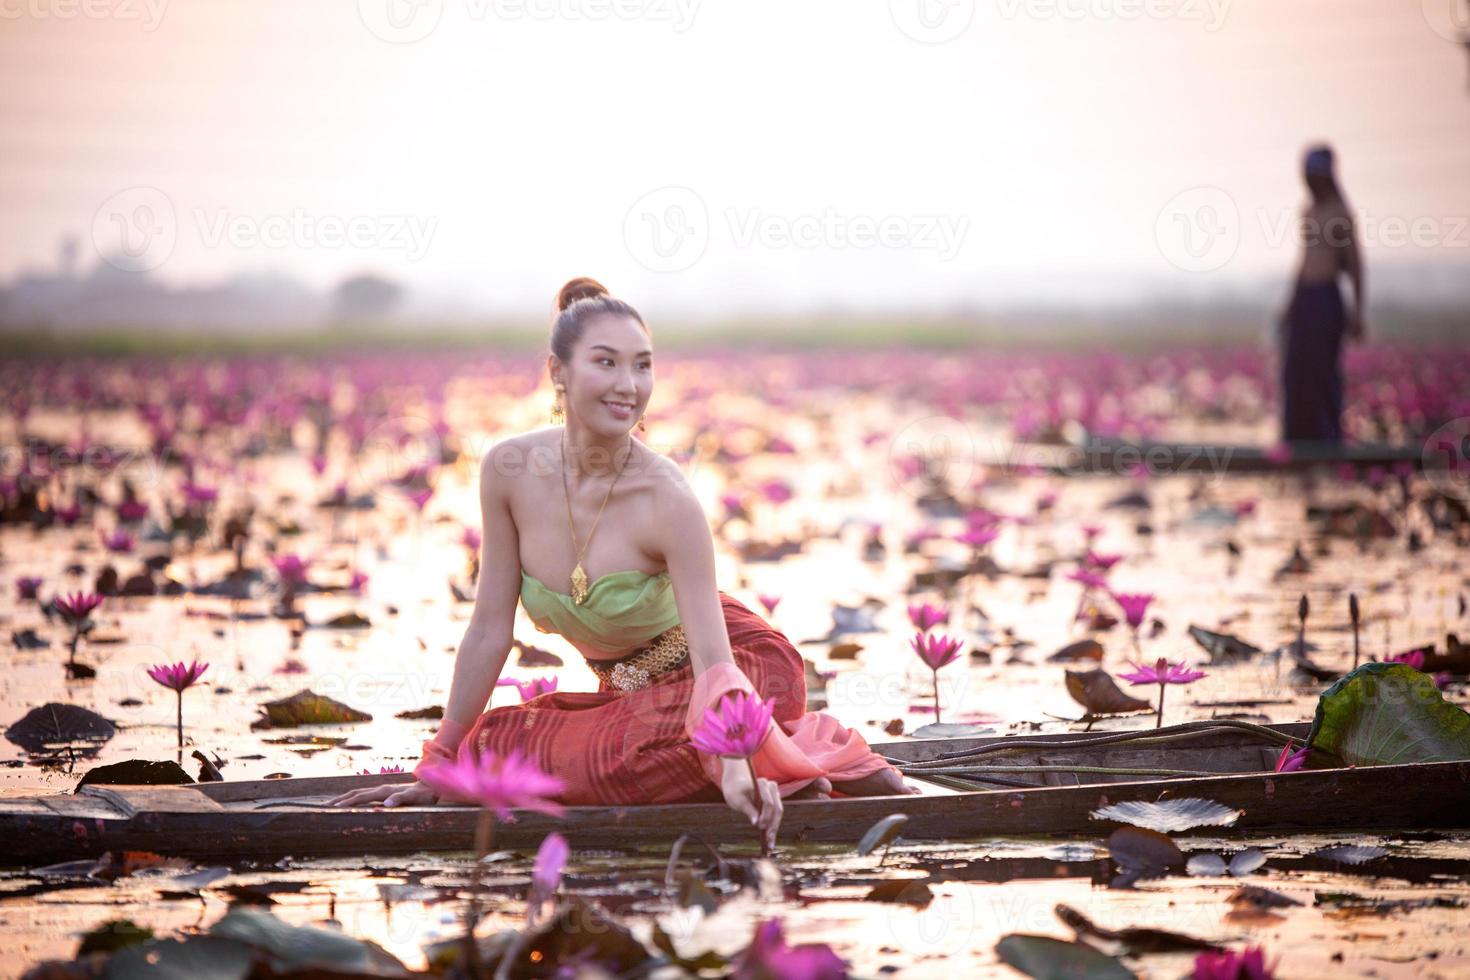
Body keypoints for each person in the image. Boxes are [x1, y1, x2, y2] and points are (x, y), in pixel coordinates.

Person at [329, 277, 915, 848]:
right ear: (558, 372)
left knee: (617, 760)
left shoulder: (668, 496)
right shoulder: (507, 470)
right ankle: (795, 749)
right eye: (606, 362)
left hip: (738, 667)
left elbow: (716, 664)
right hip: (634, 700)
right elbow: (487, 631)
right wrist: (441, 763)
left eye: (643, 364)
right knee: (491, 748)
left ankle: (770, 745)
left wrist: (733, 757)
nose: (629, 384)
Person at [1279, 142, 1365, 443]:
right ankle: (1296, 437)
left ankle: (1326, 437)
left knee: (1323, 370)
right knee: (1295, 368)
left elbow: (1355, 266)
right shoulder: (1309, 211)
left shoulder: (1340, 213)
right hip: (1305, 296)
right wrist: (1289, 305)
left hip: (1327, 299)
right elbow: (1303, 261)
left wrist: (1358, 313)